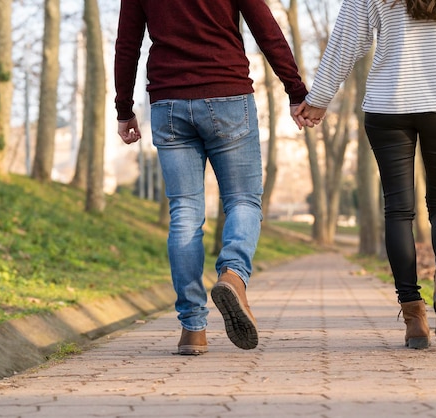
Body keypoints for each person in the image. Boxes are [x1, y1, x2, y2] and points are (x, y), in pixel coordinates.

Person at [295, 0, 436, 348]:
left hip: (389, 105)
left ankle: (414, 318)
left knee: (398, 210)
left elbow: (346, 39)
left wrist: (319, 98)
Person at [114, 0, 308, 354]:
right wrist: (295, 89)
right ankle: (233, 274)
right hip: (228, 94)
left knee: (185, 212)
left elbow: (127, 43)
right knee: (243, 200)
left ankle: (192, 328)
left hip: (168, 101)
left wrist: (124, 109)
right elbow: (266, 28)